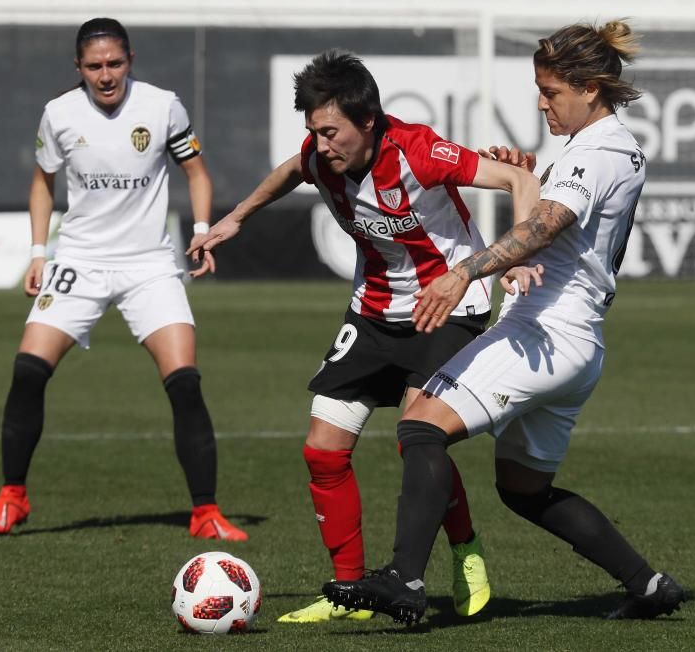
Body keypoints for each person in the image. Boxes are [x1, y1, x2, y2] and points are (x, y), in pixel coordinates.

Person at [322, 20, 687, 625]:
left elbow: (546, 225)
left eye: (550, 91)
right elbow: (554, 210)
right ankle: (648, 584)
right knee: (524, 491)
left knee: (419, 428)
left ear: (590, 89)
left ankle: (403, 580)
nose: (541, 102)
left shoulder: (597, 153)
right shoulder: (611, 147)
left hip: (541, 333)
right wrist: (529, 173)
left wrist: (465, 271)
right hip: (579, 345)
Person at [188, 50, 540, 622]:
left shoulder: (418, 151)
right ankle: (348, 593)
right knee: (322, 449)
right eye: (314, 131)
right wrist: (239, 216)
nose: (321, 144)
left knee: (416, 436)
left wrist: (521, 252)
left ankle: (466, 547)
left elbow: (519, 176)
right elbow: (290, 170)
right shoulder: (320, 156)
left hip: (446, 306)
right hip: (373, 310)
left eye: (331, 131)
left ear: (368, 120)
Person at [0, 17, 246, 542]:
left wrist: (200, 230)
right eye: (95, 66)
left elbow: (197, 172)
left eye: (115, 63)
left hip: (149, 263)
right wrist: (38, 252)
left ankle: (206, 512)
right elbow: (42, 184)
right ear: (78, 67)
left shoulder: (163, 106)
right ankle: (12, 497)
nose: (106, 75)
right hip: (80, 259)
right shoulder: (58, 113)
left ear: (130, 60)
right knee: (28, 371)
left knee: (185, 382)